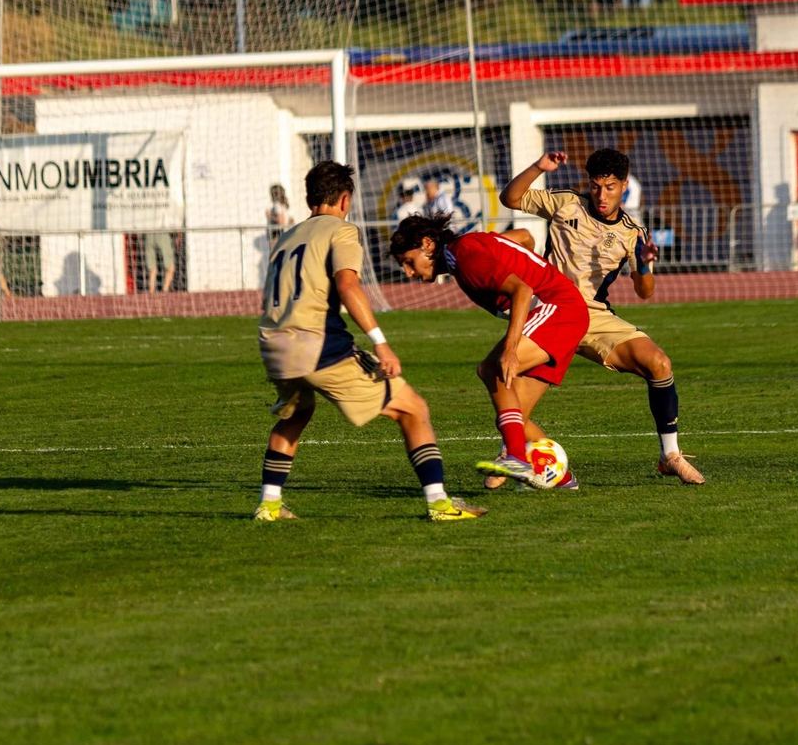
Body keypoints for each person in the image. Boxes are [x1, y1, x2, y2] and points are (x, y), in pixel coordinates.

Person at [255, 161, 483, 523]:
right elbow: (348, 286)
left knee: (296, 413)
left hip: (273, 344)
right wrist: (380, 342)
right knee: (413, 409)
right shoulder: (341, 231)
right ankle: (440, 503)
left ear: (309, 196)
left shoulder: (287, 236)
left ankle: (268, 505)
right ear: (345, 199)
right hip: (318, 345)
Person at [497, 148, 706, 485]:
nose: (601, 195)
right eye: (595, 186)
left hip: (592, 316)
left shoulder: (632, 232)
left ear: (624, 185)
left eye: (609, 187)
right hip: (551, 311)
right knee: (508, 394)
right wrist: (539, 167)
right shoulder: (566, 203)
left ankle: (670, 455)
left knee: (659, 363)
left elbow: (645, 291)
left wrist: (647, 263)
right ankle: (517, 456)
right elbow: (511, 197)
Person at [391, 214, 589, 490]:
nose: (409, 273)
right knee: (514, 416)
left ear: (427, 244)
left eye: (408, 262)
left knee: (491, 368)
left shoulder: (464, 255)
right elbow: (523, 237)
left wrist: (510, 349)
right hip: (564, 314)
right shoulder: (468, 248)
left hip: (558, 310)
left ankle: (516, 458)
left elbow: (522, 289)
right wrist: (521, 260)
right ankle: (561, 479)